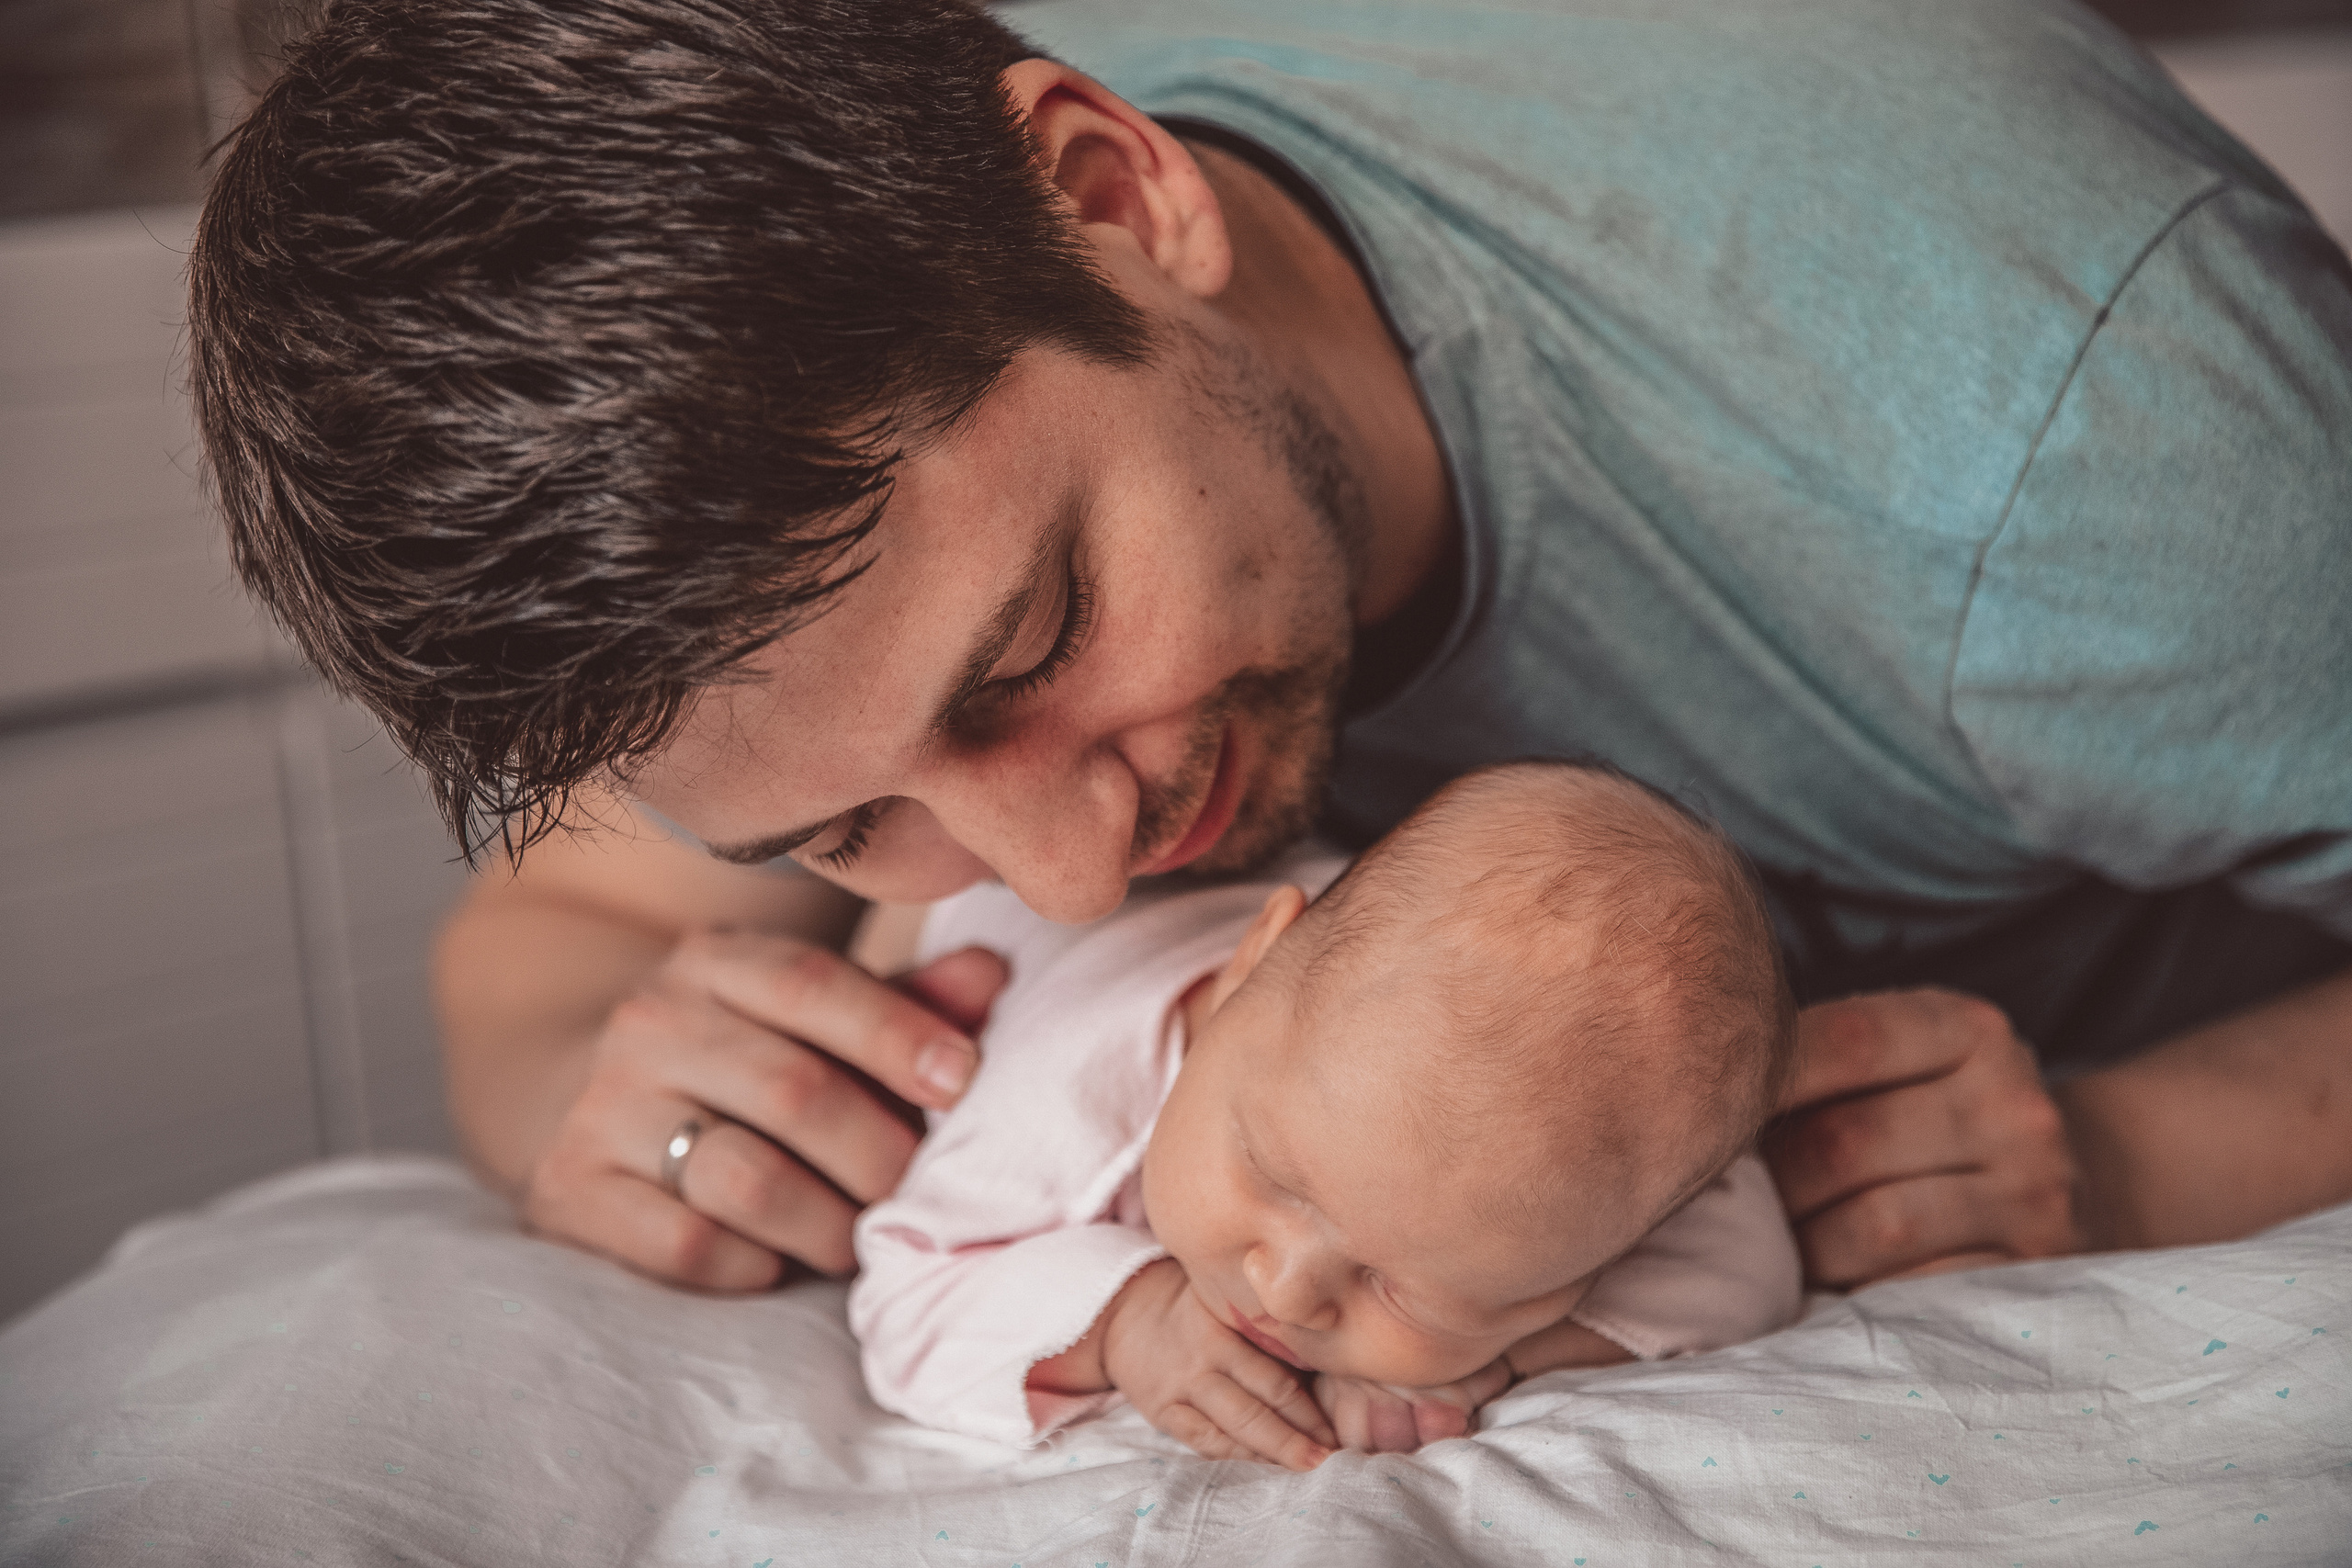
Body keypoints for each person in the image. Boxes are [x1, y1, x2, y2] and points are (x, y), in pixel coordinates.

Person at [187, 0, 2352, 1300]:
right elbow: (552, 938)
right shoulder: (788, 309)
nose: (1059, 879)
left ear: (1114, 195)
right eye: (855, 819)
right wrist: (614, 1090)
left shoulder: (2076, 442)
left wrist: (2138, 1147)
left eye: (1029, 640)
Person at [853, 764, 1802, 1465]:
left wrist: (1502, 1356)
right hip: (976, 923)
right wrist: (1126, 1321)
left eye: (1402, 1287)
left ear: (1569, 1277)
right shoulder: (1072, 1099)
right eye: (1271, 1175)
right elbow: (903, 1299)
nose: (1288, 1290)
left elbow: (1746, 1264)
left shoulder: (1568, 1174)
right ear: (1247, 971)